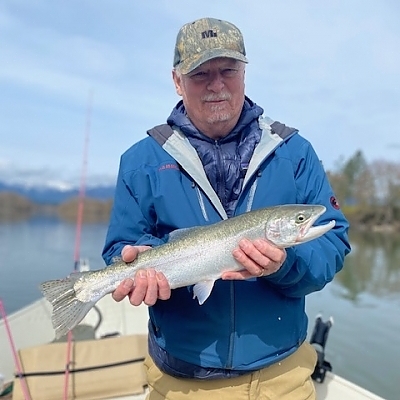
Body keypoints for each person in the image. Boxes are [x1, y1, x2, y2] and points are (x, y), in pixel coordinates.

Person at [102, 17, 351, 400]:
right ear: (176, 80)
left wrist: (284, 265)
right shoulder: (140, 162)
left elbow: (333, 243)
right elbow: (120, 248)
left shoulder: (295, 152)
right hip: (182, 383)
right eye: (200, 73)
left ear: (245, 72)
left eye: (228, 70)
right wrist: (130, 261)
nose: (216, 84)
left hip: (283, 376)